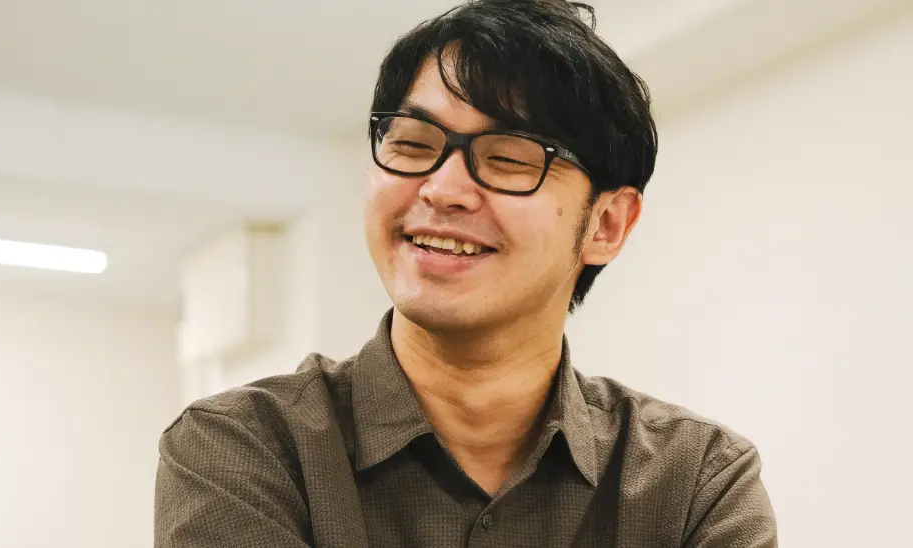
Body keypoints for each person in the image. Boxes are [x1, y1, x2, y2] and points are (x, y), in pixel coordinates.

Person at [154, 1, 778, 546]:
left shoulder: (695, 481)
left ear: (607, 224)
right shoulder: (245, 447)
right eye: (412, 144)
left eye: (509, 158)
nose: (442, 188)